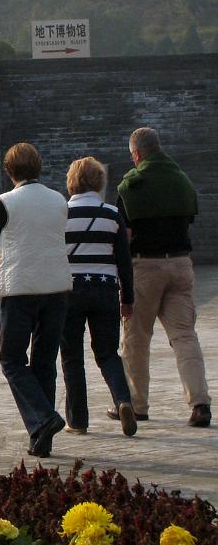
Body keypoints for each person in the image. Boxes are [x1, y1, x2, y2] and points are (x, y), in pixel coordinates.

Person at [117, 127, 210, 428]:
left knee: (136, 338)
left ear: (138, 154)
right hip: (181, 265)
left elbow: (126, 235)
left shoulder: (131, 187)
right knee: (184, 336)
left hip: (145, 267)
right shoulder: (181, 179)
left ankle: (137, 405)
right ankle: (199, 404)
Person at [0, 142, 72, 458]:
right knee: (44, 362)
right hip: (57, 288)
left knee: (12, 359)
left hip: (20, 289)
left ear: (9, 172)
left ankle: (44, 418)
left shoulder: (6, 202)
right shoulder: (59, 199)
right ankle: (41, 438)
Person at [58, 157, 137, 437]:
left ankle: (77, 420)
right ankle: (123, 400)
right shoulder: (113, 214)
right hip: (104, 289)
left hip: (69, 291)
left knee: (71, 356)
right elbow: (124, 263)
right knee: (107, 352)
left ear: (72, 182)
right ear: (100, 181)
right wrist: (127, 299)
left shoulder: (61, 213)